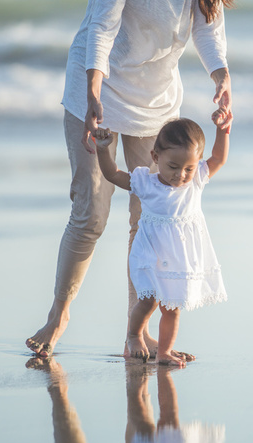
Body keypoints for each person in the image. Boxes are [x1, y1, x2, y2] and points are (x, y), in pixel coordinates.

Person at [26, 0, 234, 359]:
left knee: (149, 219)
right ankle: (59, 314)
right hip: (96, 87)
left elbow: (206, 27)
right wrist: (93, 92)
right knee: (90, 212)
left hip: (155, 101)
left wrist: (221, 76)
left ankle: (136, 332)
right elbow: (102, 25)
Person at [93, 114, 229, 366]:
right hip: (150, 254)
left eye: (189, 168)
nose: (181, 175)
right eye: (173, 167)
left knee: (172, 308)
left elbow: (219, 158)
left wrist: (223, 130)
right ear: (156, 158)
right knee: (148, 300)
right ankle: (134, 335)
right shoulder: (146, 182)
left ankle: (165, 351)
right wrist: (103, 149)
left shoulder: (196, 180)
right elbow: (112, 174)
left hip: (179, 259)